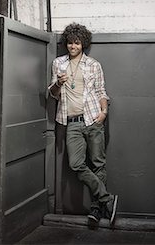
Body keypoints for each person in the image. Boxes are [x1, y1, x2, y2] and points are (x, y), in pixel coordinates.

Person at [48, 23, 118, 224]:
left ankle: (96, 209)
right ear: (66, 43)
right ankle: (107, 199)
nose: (73, 46)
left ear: (83, 44)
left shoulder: (93, 65)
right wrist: (59, 83)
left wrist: (104, 112)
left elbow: (101, 91)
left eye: (77, 43)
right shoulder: (58, 64)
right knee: (76, 164)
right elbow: (52, 94)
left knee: (98, 164)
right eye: (70, 43)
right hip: (71, 122)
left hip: (93, 119)